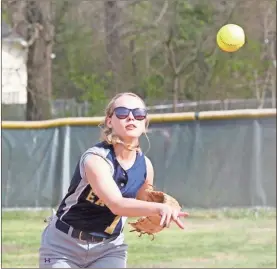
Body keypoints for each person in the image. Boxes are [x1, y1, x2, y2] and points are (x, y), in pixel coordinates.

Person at [39, 92, 188, 268]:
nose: (131, 117)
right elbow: (117, 204)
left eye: (138, 113)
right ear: (109, 121)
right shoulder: (96, 159)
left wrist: (160, 214)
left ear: (145, 122)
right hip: (63, 245)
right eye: (123, 112)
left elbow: (141, 205)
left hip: (109, 249)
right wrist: (160, 208)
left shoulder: (146, 167)